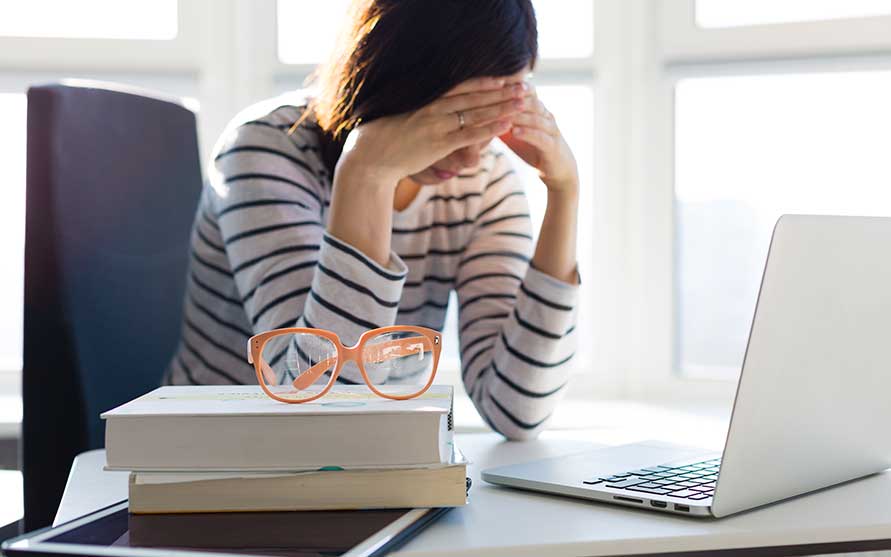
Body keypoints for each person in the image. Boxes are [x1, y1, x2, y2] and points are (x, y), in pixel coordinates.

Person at [165, 0, 580, 440]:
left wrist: (565, 190)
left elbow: (517, 407)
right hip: (213, 454)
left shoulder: (483, 180)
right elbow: (316, 406)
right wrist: (366, 175)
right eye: (457, 118)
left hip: (358, 466)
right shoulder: (264, 148)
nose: (473, 151)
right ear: (395, 80)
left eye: (494, 116)